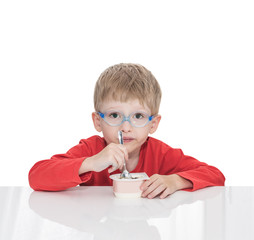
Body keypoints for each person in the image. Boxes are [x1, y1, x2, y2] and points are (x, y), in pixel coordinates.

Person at [29, 63, 225, 198]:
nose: (126, 127)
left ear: (153, 124)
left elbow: (215, 175)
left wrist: (175, 181)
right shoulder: (91, 149)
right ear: (98, 121)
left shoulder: (161, 154)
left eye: (138, 116)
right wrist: (90, 163)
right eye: (114, 115)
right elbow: (36, 176)